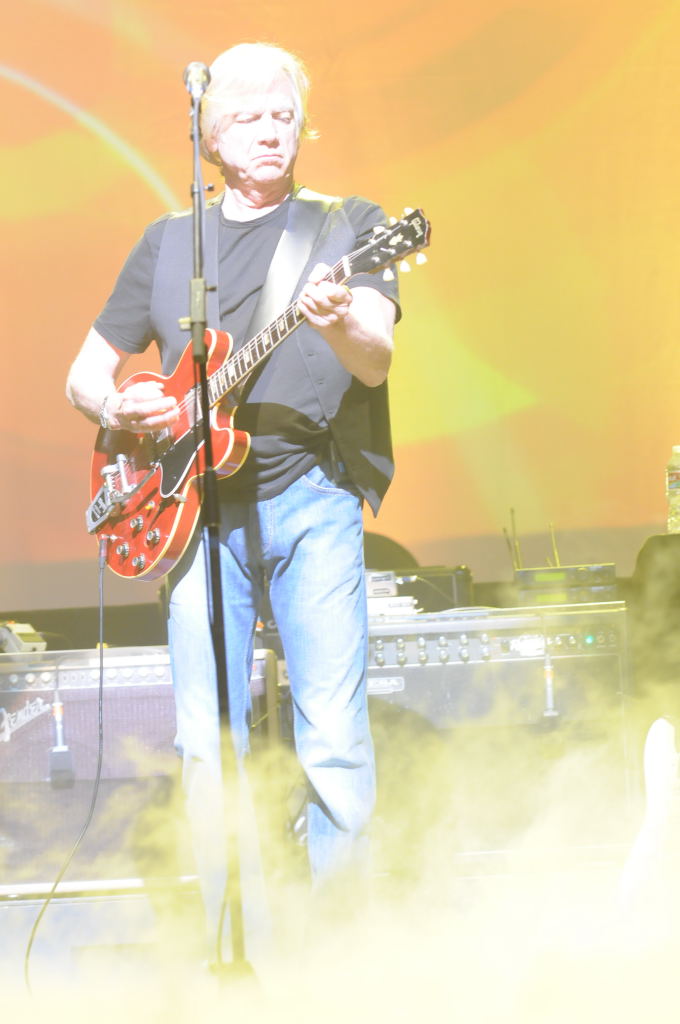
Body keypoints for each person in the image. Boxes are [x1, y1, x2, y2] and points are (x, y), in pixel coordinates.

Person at [66, 42, 400, 958]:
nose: (270, 131)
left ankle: (341, 954)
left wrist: (342, 320)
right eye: (249, 117)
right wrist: (120, 406)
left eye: (284, 116)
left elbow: (376, 358)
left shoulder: (349, 226)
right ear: (210, 138)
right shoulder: (169, 242)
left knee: (333, 737)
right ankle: (230, 949)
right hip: (192, 518)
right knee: (207, 745)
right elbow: (85, 375)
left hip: (312, 497)